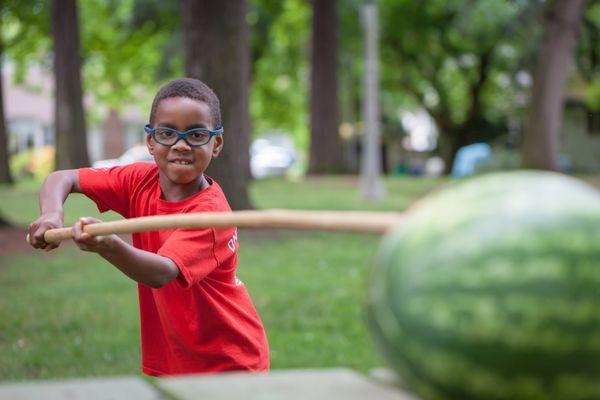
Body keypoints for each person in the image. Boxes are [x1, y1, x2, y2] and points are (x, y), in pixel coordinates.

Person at [27, 78, 270, 376]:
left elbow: (161, 272)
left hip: (228, 363)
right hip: (173, 357)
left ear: (216, 143)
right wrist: (51, 215)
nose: (181, 145)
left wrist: (108, 245)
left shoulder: (211, 215)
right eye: (167, 133)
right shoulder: (139, 181)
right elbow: (63, 178)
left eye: (196, 135)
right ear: (150, 141)